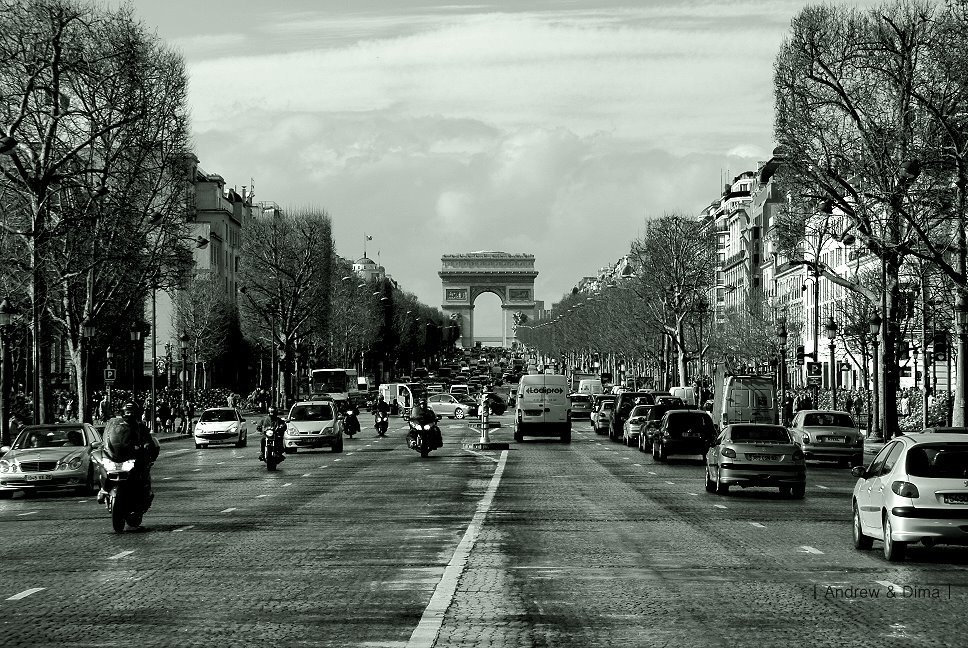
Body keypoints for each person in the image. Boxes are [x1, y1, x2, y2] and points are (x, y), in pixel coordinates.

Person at [98, 402, 158, 505]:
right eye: (127, 412)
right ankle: (104, 489)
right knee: (103, 466)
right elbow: (110, 438)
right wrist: (104, 446)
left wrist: (147, 445)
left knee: (143, 471)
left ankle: (144, 494)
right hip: (119, 455)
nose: (129, 415)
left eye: (131, 412)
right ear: (123, 413)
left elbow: (148, 440)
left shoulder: (141, 427)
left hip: (135, 455)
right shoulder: (117, 427)